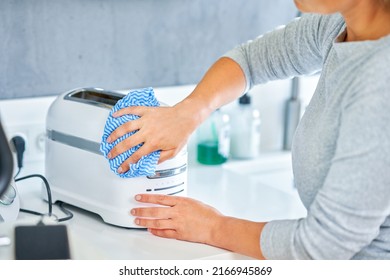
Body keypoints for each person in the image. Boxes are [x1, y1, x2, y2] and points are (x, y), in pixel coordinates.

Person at [106, 0, 390, 259]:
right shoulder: (340, 26)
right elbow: (252, 60)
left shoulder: (381, 81)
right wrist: (188, 112)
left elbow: (322, 246)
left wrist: (212, 227)